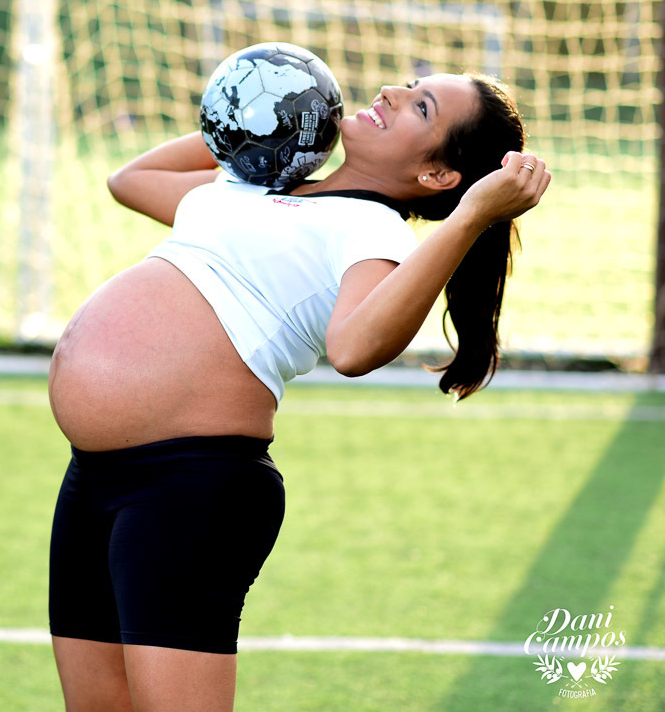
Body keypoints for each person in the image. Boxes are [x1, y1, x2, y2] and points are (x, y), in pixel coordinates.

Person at [46, 72, 551, 712]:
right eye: (410, 81)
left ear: (435, 176)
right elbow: (131, 180)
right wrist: (258, 115)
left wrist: (475, 215)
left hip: (189, 487)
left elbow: (355, 348)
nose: (393, 93)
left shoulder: (374, 233)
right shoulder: (253, 185)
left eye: (421, 107)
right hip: (94, 475)